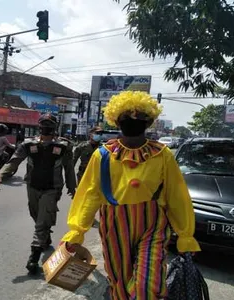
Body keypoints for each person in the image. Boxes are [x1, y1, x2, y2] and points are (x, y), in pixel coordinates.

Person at [60, 91, 200, 300]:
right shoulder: (103, 154)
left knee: (147, 286)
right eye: (127, 117)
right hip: (114, 224)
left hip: (152, 224)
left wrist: (185, 235)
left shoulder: (162, 154)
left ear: (149, 121)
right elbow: (89, 194)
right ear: (117, 121)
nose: (133, 120)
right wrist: (77, 231)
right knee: (119, 283)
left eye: (140, 116)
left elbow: (176, 195)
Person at [0, 113, 77, 274]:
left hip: (52, 188)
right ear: (39, 126)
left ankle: (33, 257)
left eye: (49, 125)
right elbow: (14, 161)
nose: (46, 128)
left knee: (41, 222)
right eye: (44, 124)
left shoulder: (63, 147)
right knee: (36, 215)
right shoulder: (27, 145)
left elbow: (69, 169)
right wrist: (0, 176)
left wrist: (73, 188)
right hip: (32, 186)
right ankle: (45, 236)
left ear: (55, 127)